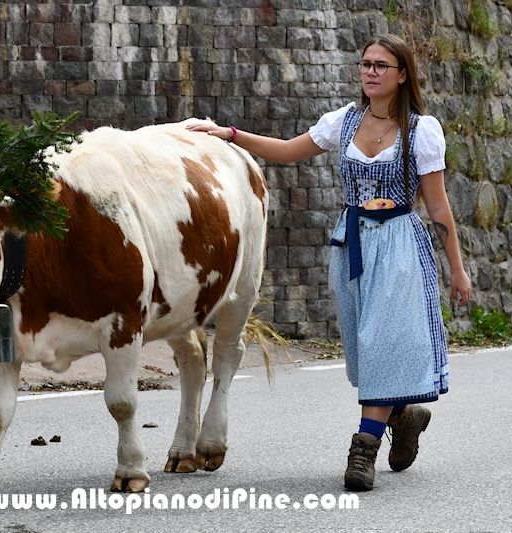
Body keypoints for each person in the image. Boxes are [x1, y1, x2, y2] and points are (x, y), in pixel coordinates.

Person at [186, 34, 472, 491]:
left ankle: (364, 449)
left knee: (380, 339)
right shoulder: (345, 121)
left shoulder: (423, 131)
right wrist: (231, 135)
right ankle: (404, 414)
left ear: (402, 75)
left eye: (381, 65)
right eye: (365, 64)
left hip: (398, 242)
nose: (371, 72)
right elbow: (286, 150)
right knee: (365, 348)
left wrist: (457, 269)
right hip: (352, 243)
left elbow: (438, 209)